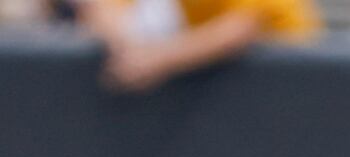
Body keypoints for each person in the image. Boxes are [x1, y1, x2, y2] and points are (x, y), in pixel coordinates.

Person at [71, 0, 319, 93]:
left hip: (292, 95)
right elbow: (103, 7)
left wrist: (153, 60)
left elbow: (239, 29)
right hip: (221, 99)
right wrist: (127, 48)